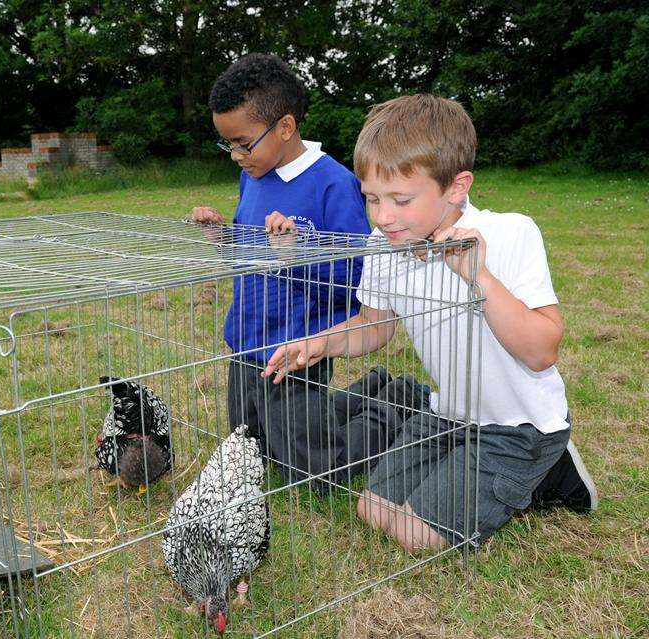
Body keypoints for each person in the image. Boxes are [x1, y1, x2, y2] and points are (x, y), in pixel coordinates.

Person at [262, 94, 597, 552]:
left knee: (414, 535)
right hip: (448, 414)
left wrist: (478, 275)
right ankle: (460, 454)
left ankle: (551, 469)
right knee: (373, 512)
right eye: (372, 198)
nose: (382, 217)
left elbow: (542, 351)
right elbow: (374, 325)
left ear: (456, 187)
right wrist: (318, 344)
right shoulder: (384, 244)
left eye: (401, 199)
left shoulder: (511, 233)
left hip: (518, 426)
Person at [190, 53, 370, 488]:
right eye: (227, 144)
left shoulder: (333, 185)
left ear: (285, 127)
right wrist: (222, 238)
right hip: (246, 342)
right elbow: (245, 257)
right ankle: (342, 409)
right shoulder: (252, 176)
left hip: (299, 349)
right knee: (251, 453)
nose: (235, 155)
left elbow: (357, 279)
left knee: (313, 473)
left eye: (243, 143)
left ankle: (386, 411)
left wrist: (296, 256)